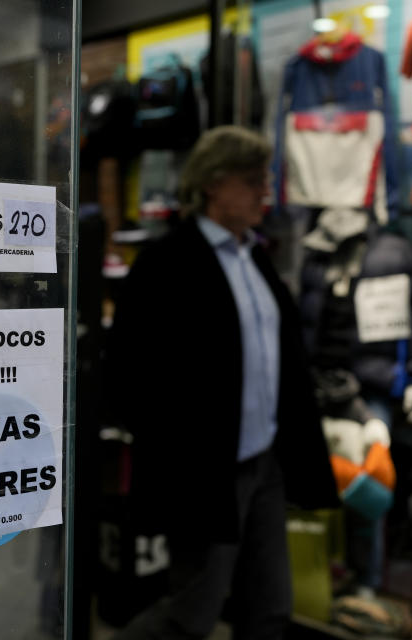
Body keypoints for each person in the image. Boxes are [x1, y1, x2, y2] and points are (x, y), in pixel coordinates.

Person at [110, 126, 338, 639]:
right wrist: (181, 449)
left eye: (267, 179)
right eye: (254, 180)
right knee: (191, 612)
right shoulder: (167, 264)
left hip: (265, 463)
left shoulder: (254, 257)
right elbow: (127, 376)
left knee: (271, 604)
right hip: (207, 472)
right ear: (214, 184)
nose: (266, 191)